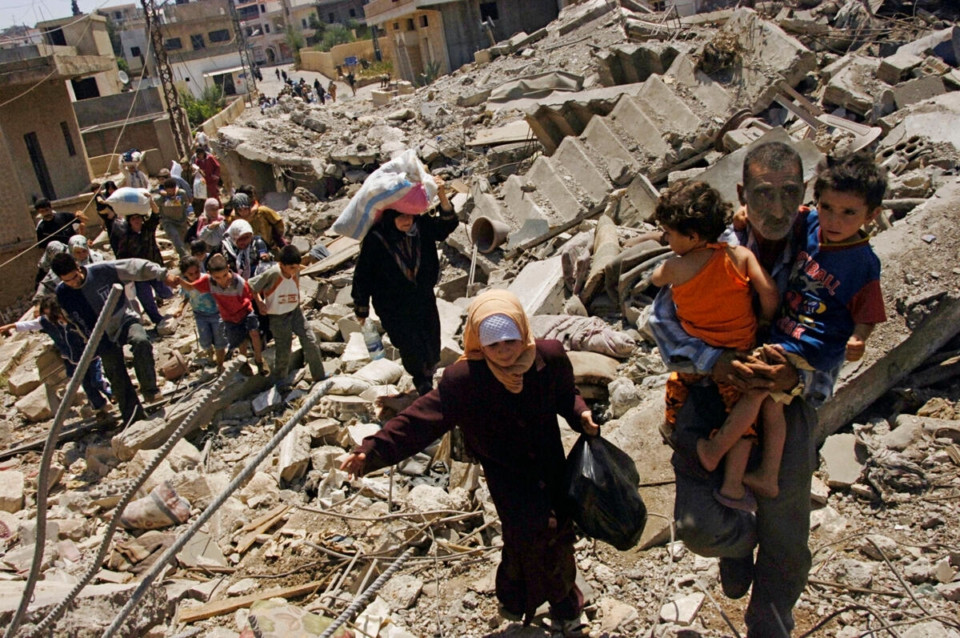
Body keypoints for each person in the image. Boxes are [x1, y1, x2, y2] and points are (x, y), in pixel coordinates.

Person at [341, 290, 599, 637]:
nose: (504, 351)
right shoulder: (464, 380)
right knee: (532, 532)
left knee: (556, 532)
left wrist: (581, 414)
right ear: (479, 342)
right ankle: (549, 601)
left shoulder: (547, 357)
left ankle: (539, 600)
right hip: (506, 472)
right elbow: (419, 421)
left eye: (511, 341)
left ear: (523, 332)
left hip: (550, 462)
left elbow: (566, 395)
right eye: (494, 345)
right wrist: (371, 450)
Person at [648, 141, 825, 637]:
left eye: (790, 193)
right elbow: (660, 321)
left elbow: (836, 336)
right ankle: (739, 541)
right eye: (765, 193)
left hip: (785, 399)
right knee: (699, 527)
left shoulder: (825, 245)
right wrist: (718, 361)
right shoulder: (712, 237)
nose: (777, 208)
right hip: (710, 389)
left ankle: (769, 623)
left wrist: (796, 376)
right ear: (744, 194)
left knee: (786, 537)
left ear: (804, 192)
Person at [694, 152, 887, 505]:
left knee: (757, 386)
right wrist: (742, 215)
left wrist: (859, 338)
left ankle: (716, 451)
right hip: (787, 332)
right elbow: (784, 212)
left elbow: (868, 310)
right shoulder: (811, 224)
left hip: (812, 343)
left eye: (848, 213)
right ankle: (766, 476)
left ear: (871, 215)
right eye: (827, 207)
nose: (834, 220)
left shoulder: (862, 262)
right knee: (771, 405)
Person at [651, 181, 780, 513]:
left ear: (692, 236)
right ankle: (733, 485)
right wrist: (765, 321)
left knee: (677, 387)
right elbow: (769, 293)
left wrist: (665, 271)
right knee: (744, 419)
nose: (667, 239)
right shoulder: (740, 256)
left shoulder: (675, 267)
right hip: (741, 349)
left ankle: (682, 435)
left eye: (669, 234)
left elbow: (654, 279)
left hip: (700, 354)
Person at [351, 178, 457, 396]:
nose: (407, 221)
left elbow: (447, 225)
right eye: (401, 216)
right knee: (409, 344)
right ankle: (422, 381)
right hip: (393, 305)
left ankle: (428, 375)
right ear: (390, 217)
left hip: (422, 297)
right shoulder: (377, 239)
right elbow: (363, 275)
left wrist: (442, 195)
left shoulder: (421, 227)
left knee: (430, 339)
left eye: (410, 215)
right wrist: (361, 308)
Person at [51, 253, 177, 423]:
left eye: (74, 277)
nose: (73, 282)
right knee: (114, 371)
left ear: (77, 267)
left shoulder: (102, 271)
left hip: (123, 319)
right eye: (67, 281)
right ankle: (133, 416)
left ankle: (150, 391)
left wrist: (162, 274)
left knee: (140, 341)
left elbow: (134, 265)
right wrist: (88, 339)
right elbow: (73, 320)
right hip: (98, 334)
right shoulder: (63, 293)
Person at [0, 295, 114, 417]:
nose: (52, 316)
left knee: (96, 380)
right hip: (73, 359)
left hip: (91, 355)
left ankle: (113, 393)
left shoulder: (73, 318)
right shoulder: (47, 322)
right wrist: (10, 326)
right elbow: (29, 325)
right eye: (48, 314)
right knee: (86, 384)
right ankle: (99, 407)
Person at [178, 253, 268, 376]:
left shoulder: (238, 281)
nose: (222, 280)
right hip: (229, 317)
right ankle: (244, 363)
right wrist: (178, 281)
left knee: (254, 334)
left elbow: (252, 291)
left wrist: (260, 303)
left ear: (228, 268)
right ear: (209, 274)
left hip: (245, 312)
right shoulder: (208, 281)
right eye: (217, 277)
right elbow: (190, 287)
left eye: (225, 275)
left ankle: (259, 360)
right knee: (241, 341)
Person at [249, 245, 324, 390]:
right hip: (278, 316)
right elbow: (252, 286)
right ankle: (281, 382)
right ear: (281, 264)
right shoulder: (273, 273)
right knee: (284, 349)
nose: (295, 270)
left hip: (295, 311)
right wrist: (259, 303)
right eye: (291, 268)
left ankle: (319, 375)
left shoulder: (296, 271)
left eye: (297, 267)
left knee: (310, 340)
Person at [111, 206, 174, 329]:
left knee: (165, 291)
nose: (136, 221)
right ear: (129, 221)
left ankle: (163, 299)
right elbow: (121, 256)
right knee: (146, 298)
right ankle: (157, 320)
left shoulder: (147, 229)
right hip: (138, 273)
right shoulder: (126, 237)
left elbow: (155, 216)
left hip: (154, 268)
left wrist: (151, 202)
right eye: (133, 218)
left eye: (138, 218)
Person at [175, 256, 227, 370]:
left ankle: (220, 365)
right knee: (205, 339)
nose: (195, 276)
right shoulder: (185, 285)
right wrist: (180, 308)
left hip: (216, 314)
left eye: (196, 272)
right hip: (200, 315)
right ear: (185, 274)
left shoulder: (207, 279)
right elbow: (186, 297)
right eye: (190, 274)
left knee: (220, 340)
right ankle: (210, 354)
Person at [35, 199, 86, 284]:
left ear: (51, 208)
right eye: (42, 211)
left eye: (47, 210)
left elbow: (83, 223)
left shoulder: (64, 216)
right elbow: (43, 248)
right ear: (39, 213)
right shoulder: (41, 228)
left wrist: (81, 215)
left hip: (74, 251)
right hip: (58, 257)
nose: (46, 213)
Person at [154, 177, 194, 257]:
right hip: (168, 222)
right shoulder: (160, 198)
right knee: (175, 236)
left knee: (183, 241)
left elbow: (186, 204)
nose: (171, 193)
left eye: (172, 190)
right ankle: (184, 256)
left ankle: (184, 258)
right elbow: (156, 208)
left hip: (181, 221)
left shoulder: (181, 194)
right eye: (169, 191)